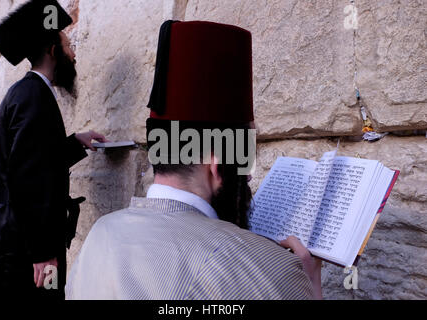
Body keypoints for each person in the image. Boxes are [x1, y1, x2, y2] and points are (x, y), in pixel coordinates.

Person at [66, 20, 322, 300]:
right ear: (217, 163)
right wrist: (307, 287)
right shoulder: (276, 270)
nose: (248, 176)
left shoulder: (100, 233)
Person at [0, 0, 107, 300]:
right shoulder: (34, 96)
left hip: (18, 244)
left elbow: (36, 161)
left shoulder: (26, 92)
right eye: (68, 45)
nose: (73, 55)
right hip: (26, 253)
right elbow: (29, 180)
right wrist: (44, 254)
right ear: (52, 50)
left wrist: (75, 142)